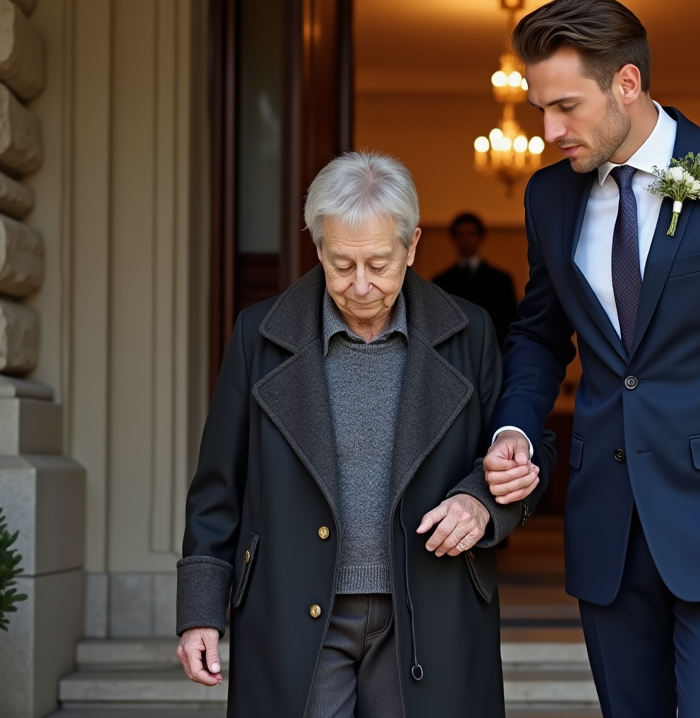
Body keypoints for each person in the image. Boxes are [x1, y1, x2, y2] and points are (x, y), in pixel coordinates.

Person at [483, 0, 700, 718]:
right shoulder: (549, 197)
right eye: (540, 108)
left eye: (566, 107)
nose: (549, 131)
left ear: (627, 84)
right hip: (606, 535)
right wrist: (515, 427)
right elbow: (540, 333)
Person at [174, 151, 552, 717]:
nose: (360, 286)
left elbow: (524, 451)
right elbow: (217, 487)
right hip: (294, 605)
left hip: (428, 607)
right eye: (341, 264)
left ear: (413, 244)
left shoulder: (469, 331)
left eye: (379, 264)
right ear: (318, 246)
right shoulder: (258, 334)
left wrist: (482, 502)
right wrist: (201, 610)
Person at [433, 213, 520, 346]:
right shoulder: (441, 281)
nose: (466, 240)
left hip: (492, 349)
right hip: (455, 352)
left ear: (480, 237)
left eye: (471, 234)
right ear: (454, 238)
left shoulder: (500, 280)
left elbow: (510, 322)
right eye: (460, 235)